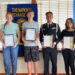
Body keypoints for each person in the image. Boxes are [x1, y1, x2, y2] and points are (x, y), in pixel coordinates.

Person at [22, 10, 39, 75]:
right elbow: (23, 33)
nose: (30, 15)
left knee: (35, 61)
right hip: (27, 45)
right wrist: (23, 39)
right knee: (28, 61)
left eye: (32, 14)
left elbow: (37, 33)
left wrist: (37, 39)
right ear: (27, 15)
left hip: (34, 44)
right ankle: (29, 74)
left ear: (34, 15)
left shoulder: (36, 23)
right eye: (29, 14)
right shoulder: (24, 24)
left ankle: (36, 74)